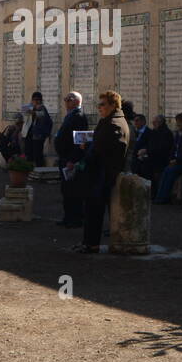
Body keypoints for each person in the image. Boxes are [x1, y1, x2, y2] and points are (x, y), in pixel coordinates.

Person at [74, 91, 130, 253]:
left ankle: (91, 245)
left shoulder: (113, 124)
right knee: (93, 210)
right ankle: (89, 243)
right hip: (102, 172)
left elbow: (100, 151)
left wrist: (86, 154)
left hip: (102, 174)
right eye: (98, 104)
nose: (99, 108)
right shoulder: (112, 121)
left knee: (94, 211)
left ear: (113, 105)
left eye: (102, 104)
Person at [54, 91, 90, 228]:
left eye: (69, 99)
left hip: (70, 160)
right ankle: (68, 217)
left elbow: (80, 142)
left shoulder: (79, 117)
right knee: (66, 189)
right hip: (64, 158)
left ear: (76, 101)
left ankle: (75, 219)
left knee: (73, 190)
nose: (66, 102)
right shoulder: (70, 116)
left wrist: (72, 160)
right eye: (65, 99)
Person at [23, 92, 53, 167]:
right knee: (29, 153)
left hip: (38, 135)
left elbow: (42, 115)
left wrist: (34, 112)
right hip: (29, 134)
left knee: (38, 154)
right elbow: (25, 117)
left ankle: (40, 171)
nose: (36, 101)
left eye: (38, 100)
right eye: (34, 99)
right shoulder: (29, 107)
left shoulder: (42, 108)